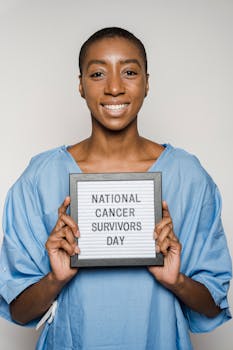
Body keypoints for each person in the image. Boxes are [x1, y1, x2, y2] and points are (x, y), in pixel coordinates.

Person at [0, 27, 231, 350]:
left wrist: (176, 280)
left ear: (147, 82)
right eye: (97, 73)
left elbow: (212, 306)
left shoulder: (187, 176)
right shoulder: (41, 178)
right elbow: (18, 310)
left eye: (129, 72)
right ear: (80, 85)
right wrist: (56, 278)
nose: (113, 87)